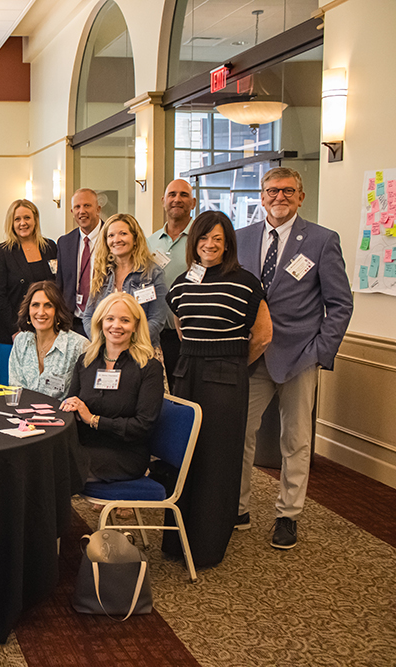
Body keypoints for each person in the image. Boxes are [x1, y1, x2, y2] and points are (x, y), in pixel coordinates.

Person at [236, 167, 353, 550]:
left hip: (300, 356)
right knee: (241, 434)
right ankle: (239, 508)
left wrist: (321, 351)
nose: (279, 197)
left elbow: (339, 304)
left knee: (296, 440)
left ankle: (288, 515)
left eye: (288, 191)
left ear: (300, 197)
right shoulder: (241, 239)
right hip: (253, 356)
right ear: (261, 195)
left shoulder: (321, 241)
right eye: (272, 191)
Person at [162, 211, 273, 568]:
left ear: (228, 245)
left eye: (217, 239)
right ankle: (177, 539)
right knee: (183, 456)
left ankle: (207, 544)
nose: (209, 245)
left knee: (216, 458)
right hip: (187, 373)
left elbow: (263, 335)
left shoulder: (245, 282)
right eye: (203, 238)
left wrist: (235, 364)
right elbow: (182, 330)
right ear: (193, 243)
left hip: (226, 377)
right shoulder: (181, 283)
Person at [62, 292, 164, 483]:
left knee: (55, 467)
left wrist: (93, 419)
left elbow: (142, 426)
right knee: (42, 458)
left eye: (125, 320)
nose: (116, 326)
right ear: (100, 322)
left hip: (125, 454)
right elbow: (72, 406)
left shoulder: (149, 367)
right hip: (84, 446)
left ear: (135, 326)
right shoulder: (85, 362)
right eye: (110, 319)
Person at [0, 199, 58, 385]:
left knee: (44, 381)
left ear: (35, 219)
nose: (23, 223)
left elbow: (56, 286)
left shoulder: (50, 247)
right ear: (11, 223)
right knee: (9, 383)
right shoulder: (2, 251)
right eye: (17, 219)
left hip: (46, 327)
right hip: (12, 329)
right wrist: (15, 329)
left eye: (27, 217)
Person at [82, 213, 168, 351]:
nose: (116, 239)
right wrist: (105, 343)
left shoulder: (153, 273)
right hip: (106, 352)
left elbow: (156, 320)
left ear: (135, 239)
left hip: (142, 352)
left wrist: (127, 345)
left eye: (123, 233)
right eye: (111, 235)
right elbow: (88, 317)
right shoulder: (102, 274)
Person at [147, 179, 197, 389]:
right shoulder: (150, 241)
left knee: (186, 394)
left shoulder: (202, 239)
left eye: (184, 195)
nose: (177, 199)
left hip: (189, 334)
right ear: (163, 201)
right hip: (156, 335)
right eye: (172, 195)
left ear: (193, 202)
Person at [8, 281, 87, 400]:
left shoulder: (79, 346)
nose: (41, 312)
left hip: (62, 416)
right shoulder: (21, 340)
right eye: (35, 305)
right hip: (24, 413)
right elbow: (15, 386)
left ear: (57, 311)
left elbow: (85, 395)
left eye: (48, 305)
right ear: (28, 310)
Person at [56, 188, 103, 338]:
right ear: (72, 211)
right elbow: (60, 284)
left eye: (87, 206)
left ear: (98, 209)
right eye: (77, 207)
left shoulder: (112, 238)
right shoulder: (64, 242)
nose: (82, 211)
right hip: (72, 323)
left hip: (103, 321)